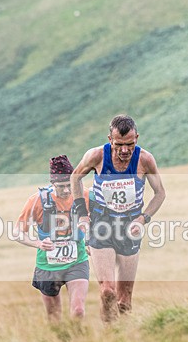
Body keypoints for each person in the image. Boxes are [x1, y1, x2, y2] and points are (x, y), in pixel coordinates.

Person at [70, 115, 166, 322]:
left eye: (130, 144)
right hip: (101, 225)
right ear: (110, 139)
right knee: (107, 291)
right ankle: (109, 333)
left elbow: (160, 193)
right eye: (118, 145)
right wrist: (82, 215)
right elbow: (75, 177)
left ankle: (122, 334)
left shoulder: (145, 160)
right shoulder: (96, 156)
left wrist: (143, 218)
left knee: (124, 300)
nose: (124, 151)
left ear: (137, 138)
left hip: (129, 229)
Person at [14, 155, 90, 322]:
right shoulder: (37, 201)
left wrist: (91, 240)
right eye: (61, 186)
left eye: (70, 185)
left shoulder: (85, 196)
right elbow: (17, 233)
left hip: (77, 261)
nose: (67, 191)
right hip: (48, 265)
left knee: (78, 311)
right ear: (52, 184)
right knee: (54, 317)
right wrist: (38, 243)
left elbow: (99, 222)